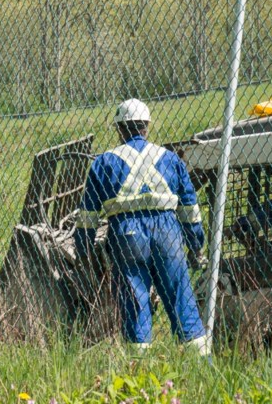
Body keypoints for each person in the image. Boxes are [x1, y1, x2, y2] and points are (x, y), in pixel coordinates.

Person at [74, 98, 208, 355]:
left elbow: (88, 215)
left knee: (135, 300)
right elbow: (190, 208)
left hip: (127, 234)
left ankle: (139, 370)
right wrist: (195, 245)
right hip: (168, 232)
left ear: (119, 129)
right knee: (181, 297)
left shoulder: (104, 162)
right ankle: (201, 362)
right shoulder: (170, 158)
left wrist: (84, 249)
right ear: (147, 126)